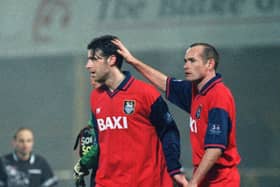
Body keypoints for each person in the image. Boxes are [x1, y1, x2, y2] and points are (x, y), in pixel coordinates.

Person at [112, 39, 241, 187]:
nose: (186, 66)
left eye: (192, 61)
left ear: (210, 64)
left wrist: (194, 182)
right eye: (185, 61)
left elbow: (215, 148)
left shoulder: (218, 95)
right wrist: (133, 61)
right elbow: (166, 84)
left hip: (222, 182)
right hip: (206, 179)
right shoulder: (195, 91)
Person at [85, 35, 188, 187]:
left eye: (94, 59)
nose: (88, 65)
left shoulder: (146, 93)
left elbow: (169, 132)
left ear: (112, 60)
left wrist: (174, 169)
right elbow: (100, 145)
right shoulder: (95, 97)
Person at [73, 75, 100, 187]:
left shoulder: (110, 102)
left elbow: (102, 144)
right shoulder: (97, 100)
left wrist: (82, 164)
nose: (92, 79)